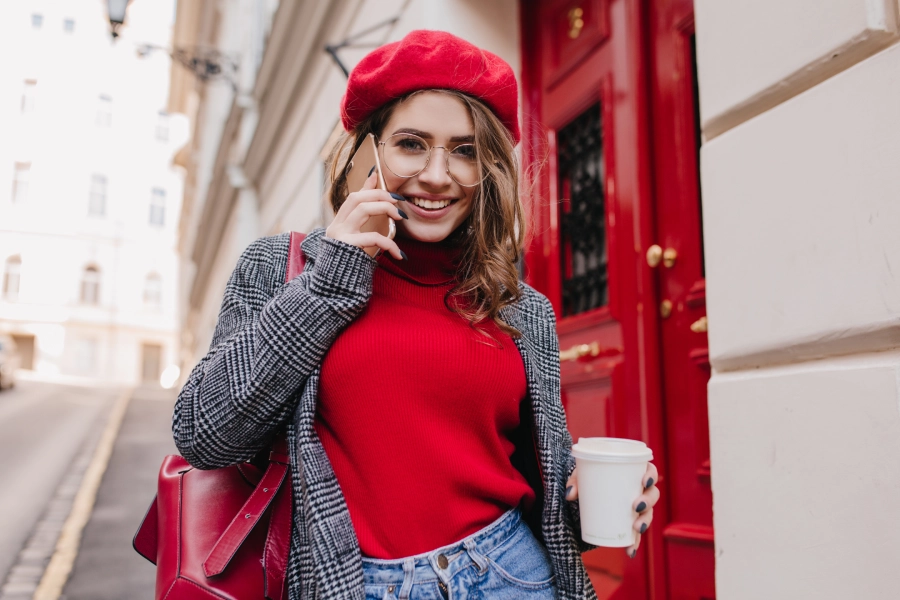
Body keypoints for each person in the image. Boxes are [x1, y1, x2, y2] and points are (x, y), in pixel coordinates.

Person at [173, 29, 660, 600]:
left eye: (464, 149)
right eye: (411, 143)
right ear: (370, 150)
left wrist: (584, 509)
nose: (435, 174)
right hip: (357, 586)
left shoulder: (521, 309)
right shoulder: (287, 269)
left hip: (511, 576)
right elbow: (205, 435)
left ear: (489, 170)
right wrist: (333, 278)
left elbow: (535, 490)